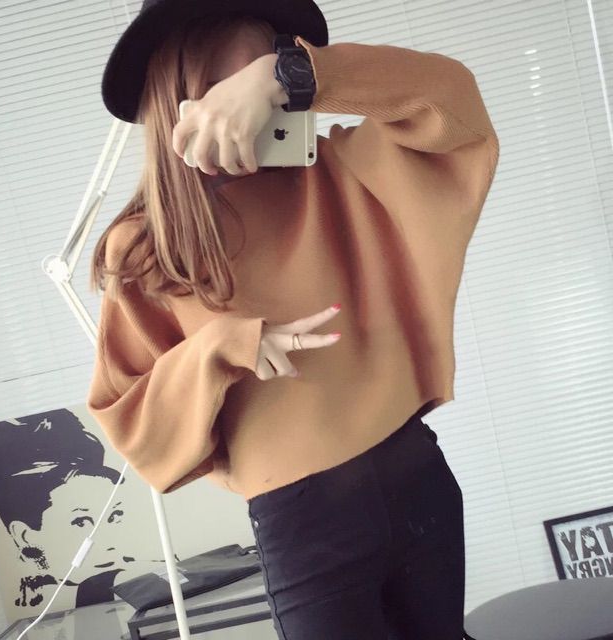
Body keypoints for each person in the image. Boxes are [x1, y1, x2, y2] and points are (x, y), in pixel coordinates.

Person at [86, 1, 500, 638]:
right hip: (305, 520)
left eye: (268, 79)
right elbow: (131, 417)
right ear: (183, 89)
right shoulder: (146, 248)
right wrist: (221, 348)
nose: (251, 109)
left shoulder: (343, 172)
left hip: (415, 476)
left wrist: (289, 75)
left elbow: (454, 102)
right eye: (231, 82)